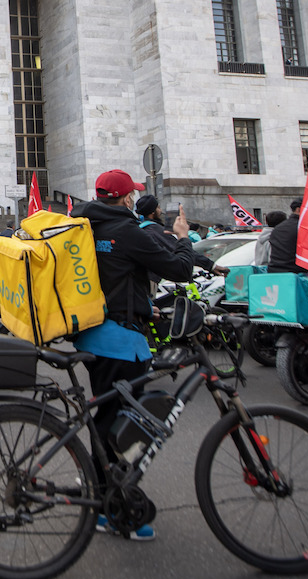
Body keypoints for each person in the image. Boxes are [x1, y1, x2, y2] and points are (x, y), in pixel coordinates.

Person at [70, 169, 197, 542]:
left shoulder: (84, 227)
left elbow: (111, 276)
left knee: (109, 418)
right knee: (119, 426)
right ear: (126, 199)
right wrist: (183, 238)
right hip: (121, 341)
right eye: (132, 196)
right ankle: (110, 508)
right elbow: (180, 269)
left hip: (92, 334)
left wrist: (140, 302)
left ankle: (102, 493)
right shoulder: (126, 231)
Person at [134, 196, 228, 277]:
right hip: (151, 278)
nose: (161, 211)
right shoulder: (155, 230)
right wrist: (211, 266)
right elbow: (181, 249)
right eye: (158, 207)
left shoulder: (140, 228)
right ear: (152, 212)